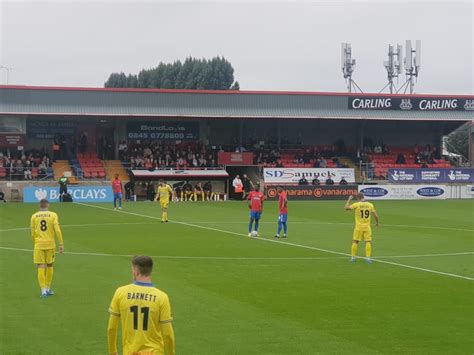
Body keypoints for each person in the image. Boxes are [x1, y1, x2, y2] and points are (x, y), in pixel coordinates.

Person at [107, 255, 175, 355]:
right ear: (150, 271)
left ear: (136, 271)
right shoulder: (162, 297)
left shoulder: (120, 292)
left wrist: (113, 351)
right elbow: (168, 334)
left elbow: (111, 328)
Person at [30, 199, 64, 297]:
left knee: (40, 266)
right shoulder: (53, 215)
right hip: (50, 244)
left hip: (38, 244)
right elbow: (57, 230)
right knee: (50, 265)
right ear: (48, 205)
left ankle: (43, 290)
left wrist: (36, 242)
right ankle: (48, 288)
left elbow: (32, 232)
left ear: (39, 206)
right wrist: (61, 243)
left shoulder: (34, 216)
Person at [344, 192, 379, 263]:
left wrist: (349, 200)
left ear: (357, 198)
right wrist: (377, 223)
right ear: (363, 197)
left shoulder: (356, 204)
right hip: (367, 227)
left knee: (355, 241)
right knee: (368, 241)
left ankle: (353, 258)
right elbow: (376, 215)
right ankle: (368, 258)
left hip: (358, 227)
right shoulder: (370, 205)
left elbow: (346, 208)